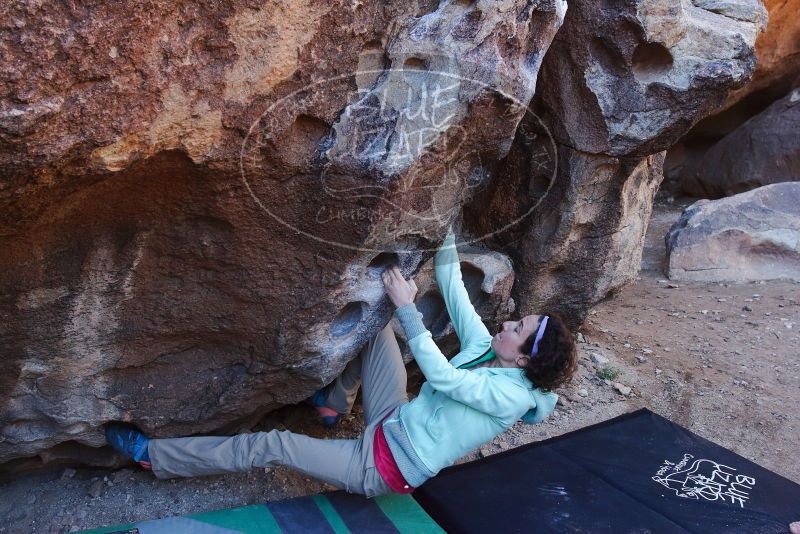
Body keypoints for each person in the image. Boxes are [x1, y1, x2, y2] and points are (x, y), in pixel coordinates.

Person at [106, 229, 578, 497]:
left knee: (271, 444)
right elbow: (451, 279)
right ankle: (333, 404)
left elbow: (443, 378)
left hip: (376, 465)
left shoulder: (509, 396)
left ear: (522, 361)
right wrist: (441, 223)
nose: (511, 322)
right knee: (376, 330)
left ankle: (155, 457)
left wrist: (408, 307)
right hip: (393, 419)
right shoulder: (487, 346)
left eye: (519, 328)